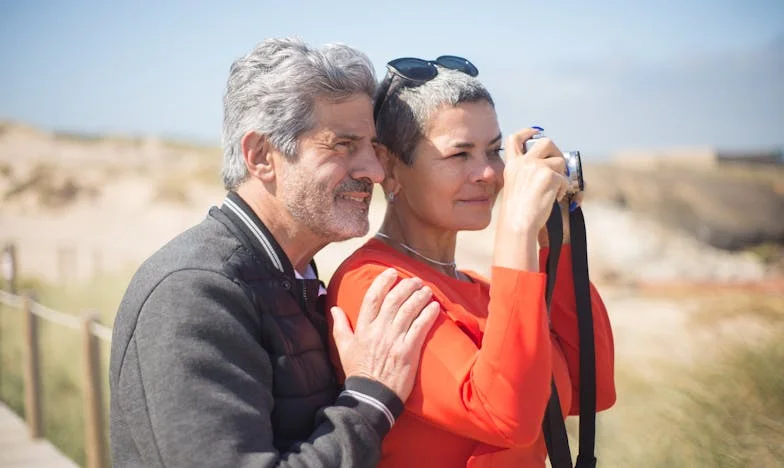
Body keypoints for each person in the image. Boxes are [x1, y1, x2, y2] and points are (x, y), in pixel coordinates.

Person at [109, 39, 441, 467]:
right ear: (262, 156)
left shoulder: (291, 278)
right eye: (343, 145)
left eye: (372, 148)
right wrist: (370, 397)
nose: (374, 171)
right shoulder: (194, 292)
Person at [326, 56, 616, 467]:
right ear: (389, 166)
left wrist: (557, 240)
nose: (489, 173)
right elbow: (505, 416)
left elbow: (592, 387)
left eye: (495, 151)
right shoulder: (373, 284)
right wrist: (515, 230)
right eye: (460, 154)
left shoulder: (483, 290)